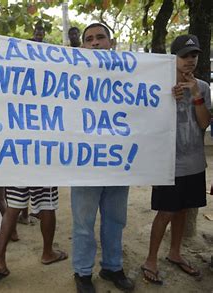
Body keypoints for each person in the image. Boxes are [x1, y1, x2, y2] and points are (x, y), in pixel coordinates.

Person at [141, 34, 210, 285]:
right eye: (184, 56)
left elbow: (203, 123)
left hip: (194, 163)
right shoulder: (158, 86)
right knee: (165, 212)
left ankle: (175, 253)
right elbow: (148, 124)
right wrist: (167, 100)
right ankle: (150, 259)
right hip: (168, 163)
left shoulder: (202, 86)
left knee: (182, 210)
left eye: (194, 56)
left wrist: (195, 95)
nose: (190, 61)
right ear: (173, 59)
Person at [71, 23, 134, 293]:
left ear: (112, 42)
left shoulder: (133, 75)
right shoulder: (71, 74)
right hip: (85, 164)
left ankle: (112, 267)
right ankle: (83, 274)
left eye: (100, 37)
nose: (95, 43)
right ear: (83, 46)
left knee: (115, 219)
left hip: (119, 161)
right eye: (89, 39)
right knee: (84, 223)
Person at [0, 186, 67, 282]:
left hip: (18, 171)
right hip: (41, 172)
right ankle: (48, 253)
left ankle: (0, 258)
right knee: (46, 205)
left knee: (13, 206)